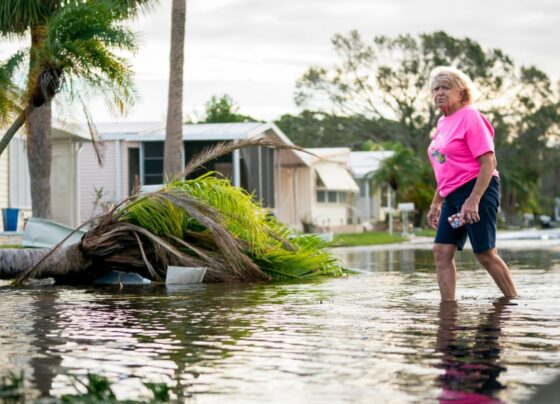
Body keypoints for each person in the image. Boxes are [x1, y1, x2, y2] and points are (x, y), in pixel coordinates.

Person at [426, 66, 517, 301]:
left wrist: (473, 200)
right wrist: (436, 203)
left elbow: (489, 161)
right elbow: (446, 168)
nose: (439, 93)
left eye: (446, 87)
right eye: (436, 88)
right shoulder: (442, 124)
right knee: (441, 251)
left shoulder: (470, 116)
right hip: (452, 193)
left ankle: (514, 301)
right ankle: (448, 309)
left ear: (461, 92)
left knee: (484, 253)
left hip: (478, 188)